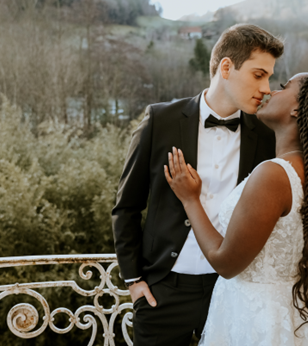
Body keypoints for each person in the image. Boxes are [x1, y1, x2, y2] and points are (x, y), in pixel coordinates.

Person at [111, 24, 284, 345]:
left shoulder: (265, 136)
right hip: (163, 293)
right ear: (227, 67)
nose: (267, 87)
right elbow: (127, 206)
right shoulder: (159, 121)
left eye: (269, 77)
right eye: (259, 75)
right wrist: (134, 280)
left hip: (232, 292)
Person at [165, 70, 308, 345]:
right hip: (292, 310)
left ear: (296, 110)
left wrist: (190, 200)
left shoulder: (274, 175)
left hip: (257, 317)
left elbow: (226, 263)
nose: (271, 91)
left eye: (283, 87)